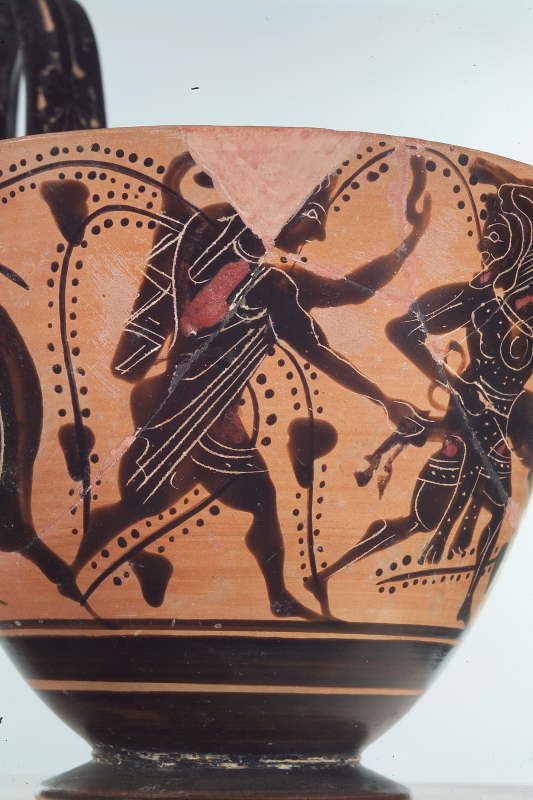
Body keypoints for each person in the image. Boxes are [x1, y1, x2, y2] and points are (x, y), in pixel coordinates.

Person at [309, 172, 533, 624]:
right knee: (425, 520)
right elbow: (402, 329)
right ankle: (329, 575)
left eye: (497, 238)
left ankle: (466, 604)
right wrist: (459, 386)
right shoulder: (479, 297)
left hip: (499, 426)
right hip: (467, 422)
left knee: (498, 510)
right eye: (487, 238)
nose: (484, 248)